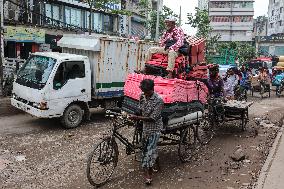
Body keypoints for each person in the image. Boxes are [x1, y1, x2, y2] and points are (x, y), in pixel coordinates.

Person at [129, 79, 164, 185]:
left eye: (146, 91)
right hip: (145, 129)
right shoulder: (142, 96)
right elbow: (139, 108)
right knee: (146, 149)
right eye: (143, 91)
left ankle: (148, 176)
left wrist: (137, 117)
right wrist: (134, 113)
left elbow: (153, 118)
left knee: (148, 153)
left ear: (151, 89)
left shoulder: (159, 100)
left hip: (155, 129)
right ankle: (156, 162)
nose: (144, 93)